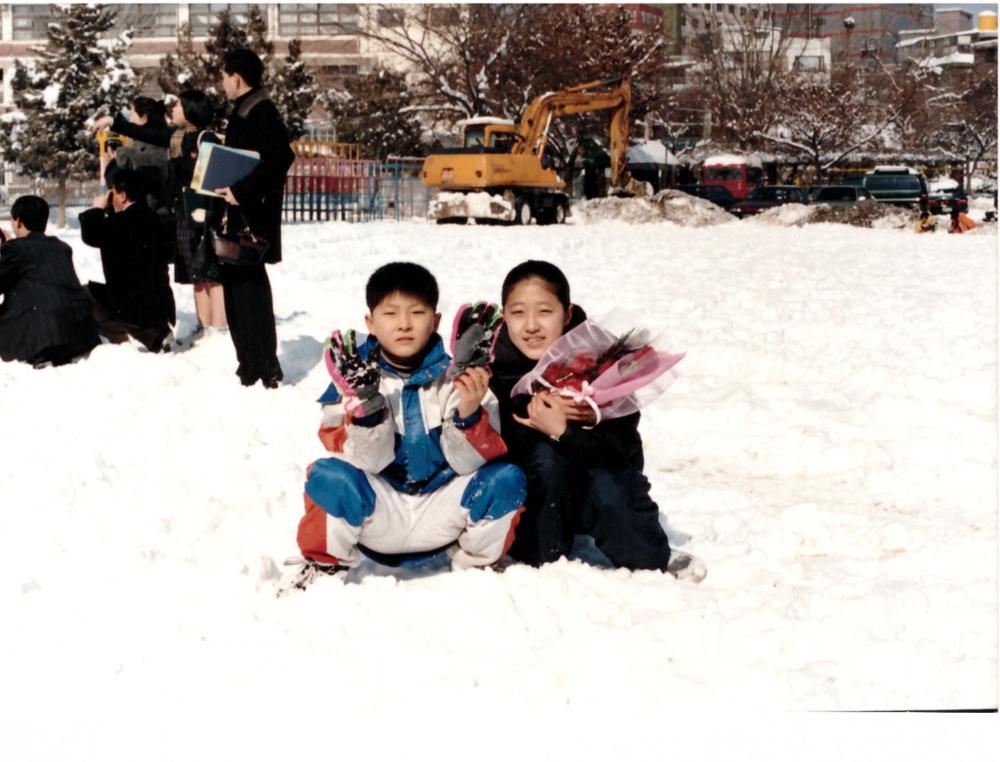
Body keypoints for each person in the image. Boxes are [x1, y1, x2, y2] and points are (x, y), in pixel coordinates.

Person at [288, 262, 526, 589]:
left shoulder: (459, 378)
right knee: (328, 475)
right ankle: (324, 567)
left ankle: (478, 565)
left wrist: (469, 409)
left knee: (506, 478)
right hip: (379, 512)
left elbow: (467, 462)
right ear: (370, 323)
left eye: (416, 312)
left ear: (436, 320)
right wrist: (368, 410)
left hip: (441, 510)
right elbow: (367, 462)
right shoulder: (351, 381)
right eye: (390, 314)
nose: (403, 324)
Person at [488, 260, 705, 581]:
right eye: (518, 313)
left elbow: (623, 451)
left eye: (545, 312)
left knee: (609, 486)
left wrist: (572, 426)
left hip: (595, 476)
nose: (531, 325)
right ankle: (537, 554)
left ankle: (649, 553)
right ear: (504, 316)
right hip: (539, 495)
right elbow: (495, 452)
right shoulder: (495, 366)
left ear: (566, 313)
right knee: (547, 461)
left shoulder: (598, 360)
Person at [92, 90, 226, 341]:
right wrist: (114, 122)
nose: (172, 110)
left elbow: (218, 176)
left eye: (178, 107)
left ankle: (219, 327)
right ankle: (203, 325)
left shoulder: (206, 139)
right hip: (184, 211)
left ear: (191, 111)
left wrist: (216, 210)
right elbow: (147, 133)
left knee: (211, 272)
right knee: (195, 272)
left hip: (205, 213)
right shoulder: (177, 137)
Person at [216, 48, 295, 388]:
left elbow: (280, 157)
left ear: (236, 77)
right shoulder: (247, 109)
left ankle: (263, 365)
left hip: (250, 216)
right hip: (239, 214)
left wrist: (243, 191)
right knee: (237, 288)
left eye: (223, 77)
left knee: (249, 291)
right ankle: (248, 363)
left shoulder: (260, 110)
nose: (222, 84)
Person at [79, 170, 176, 353]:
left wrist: (97, 209)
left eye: (113, 193)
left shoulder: (120, 222)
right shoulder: (151, 217)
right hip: (160, 303)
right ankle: (153, 334)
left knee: (85, 293)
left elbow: (90, 234)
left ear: (122, 195)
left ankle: (139, 338)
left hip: (132, 307)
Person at [0, 196, 100, 367]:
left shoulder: (15, 249)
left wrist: (7, 249)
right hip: (80, 336)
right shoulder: (61, 247)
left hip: (42, 340)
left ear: (18, 222)